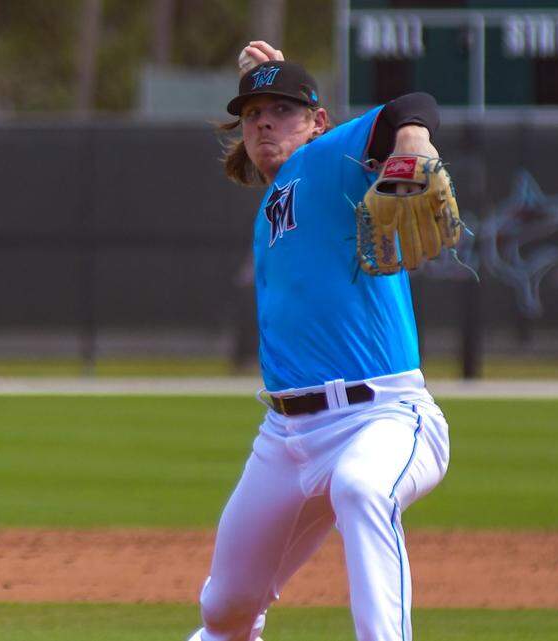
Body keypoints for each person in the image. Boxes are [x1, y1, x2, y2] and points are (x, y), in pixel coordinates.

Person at [186, 41, 451, 641]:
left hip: (382, 414)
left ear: (318, 122)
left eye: (282, 109)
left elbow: (413, 103)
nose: (263, 121)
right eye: (253, 113)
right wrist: (273, 79)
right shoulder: (276, 201)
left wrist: (413, 143)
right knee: (224, 610)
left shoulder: (330, 160)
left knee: (361, 487)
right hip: (286, 437)